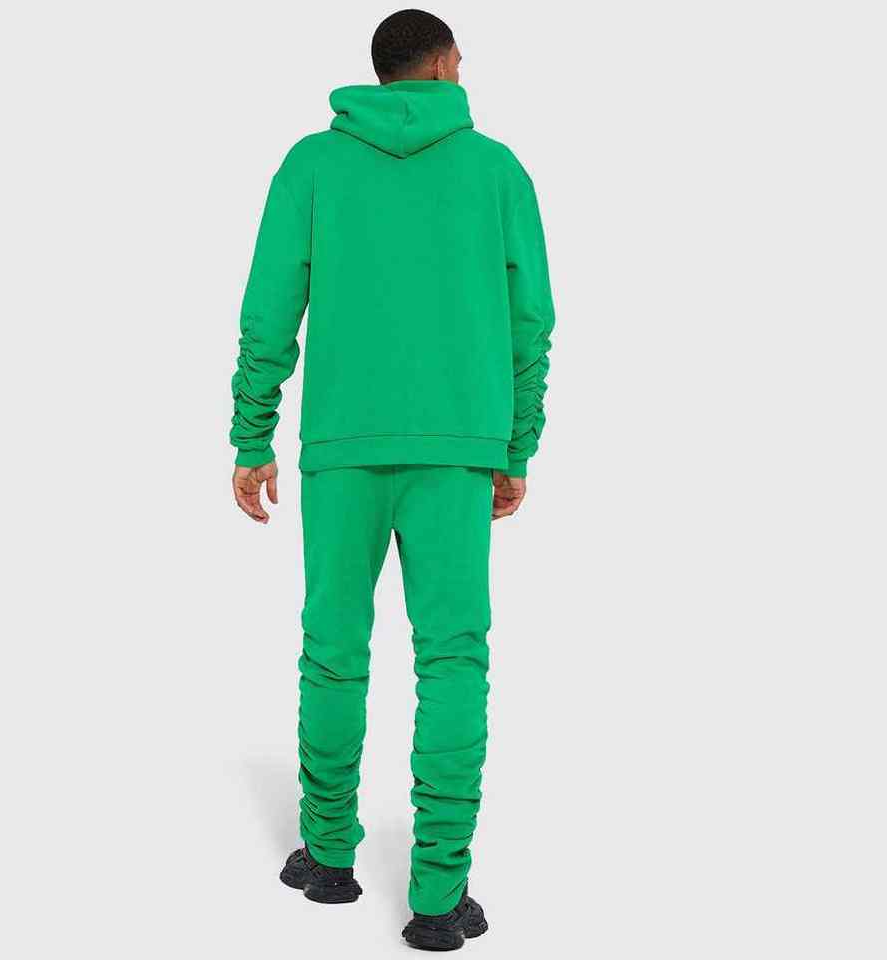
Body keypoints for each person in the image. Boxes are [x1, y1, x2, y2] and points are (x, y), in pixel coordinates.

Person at [230, 8, 554, 951]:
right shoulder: (497, 169)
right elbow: (531, 320)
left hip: (342, 446)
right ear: (446, 65)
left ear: (379, 75)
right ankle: (438, 899)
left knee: (333, 649)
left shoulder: (313, 164)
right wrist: (515, 447)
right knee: (453, 658)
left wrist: (253, 435)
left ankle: (329, 857)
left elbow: (268, 306)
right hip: (458, 451)